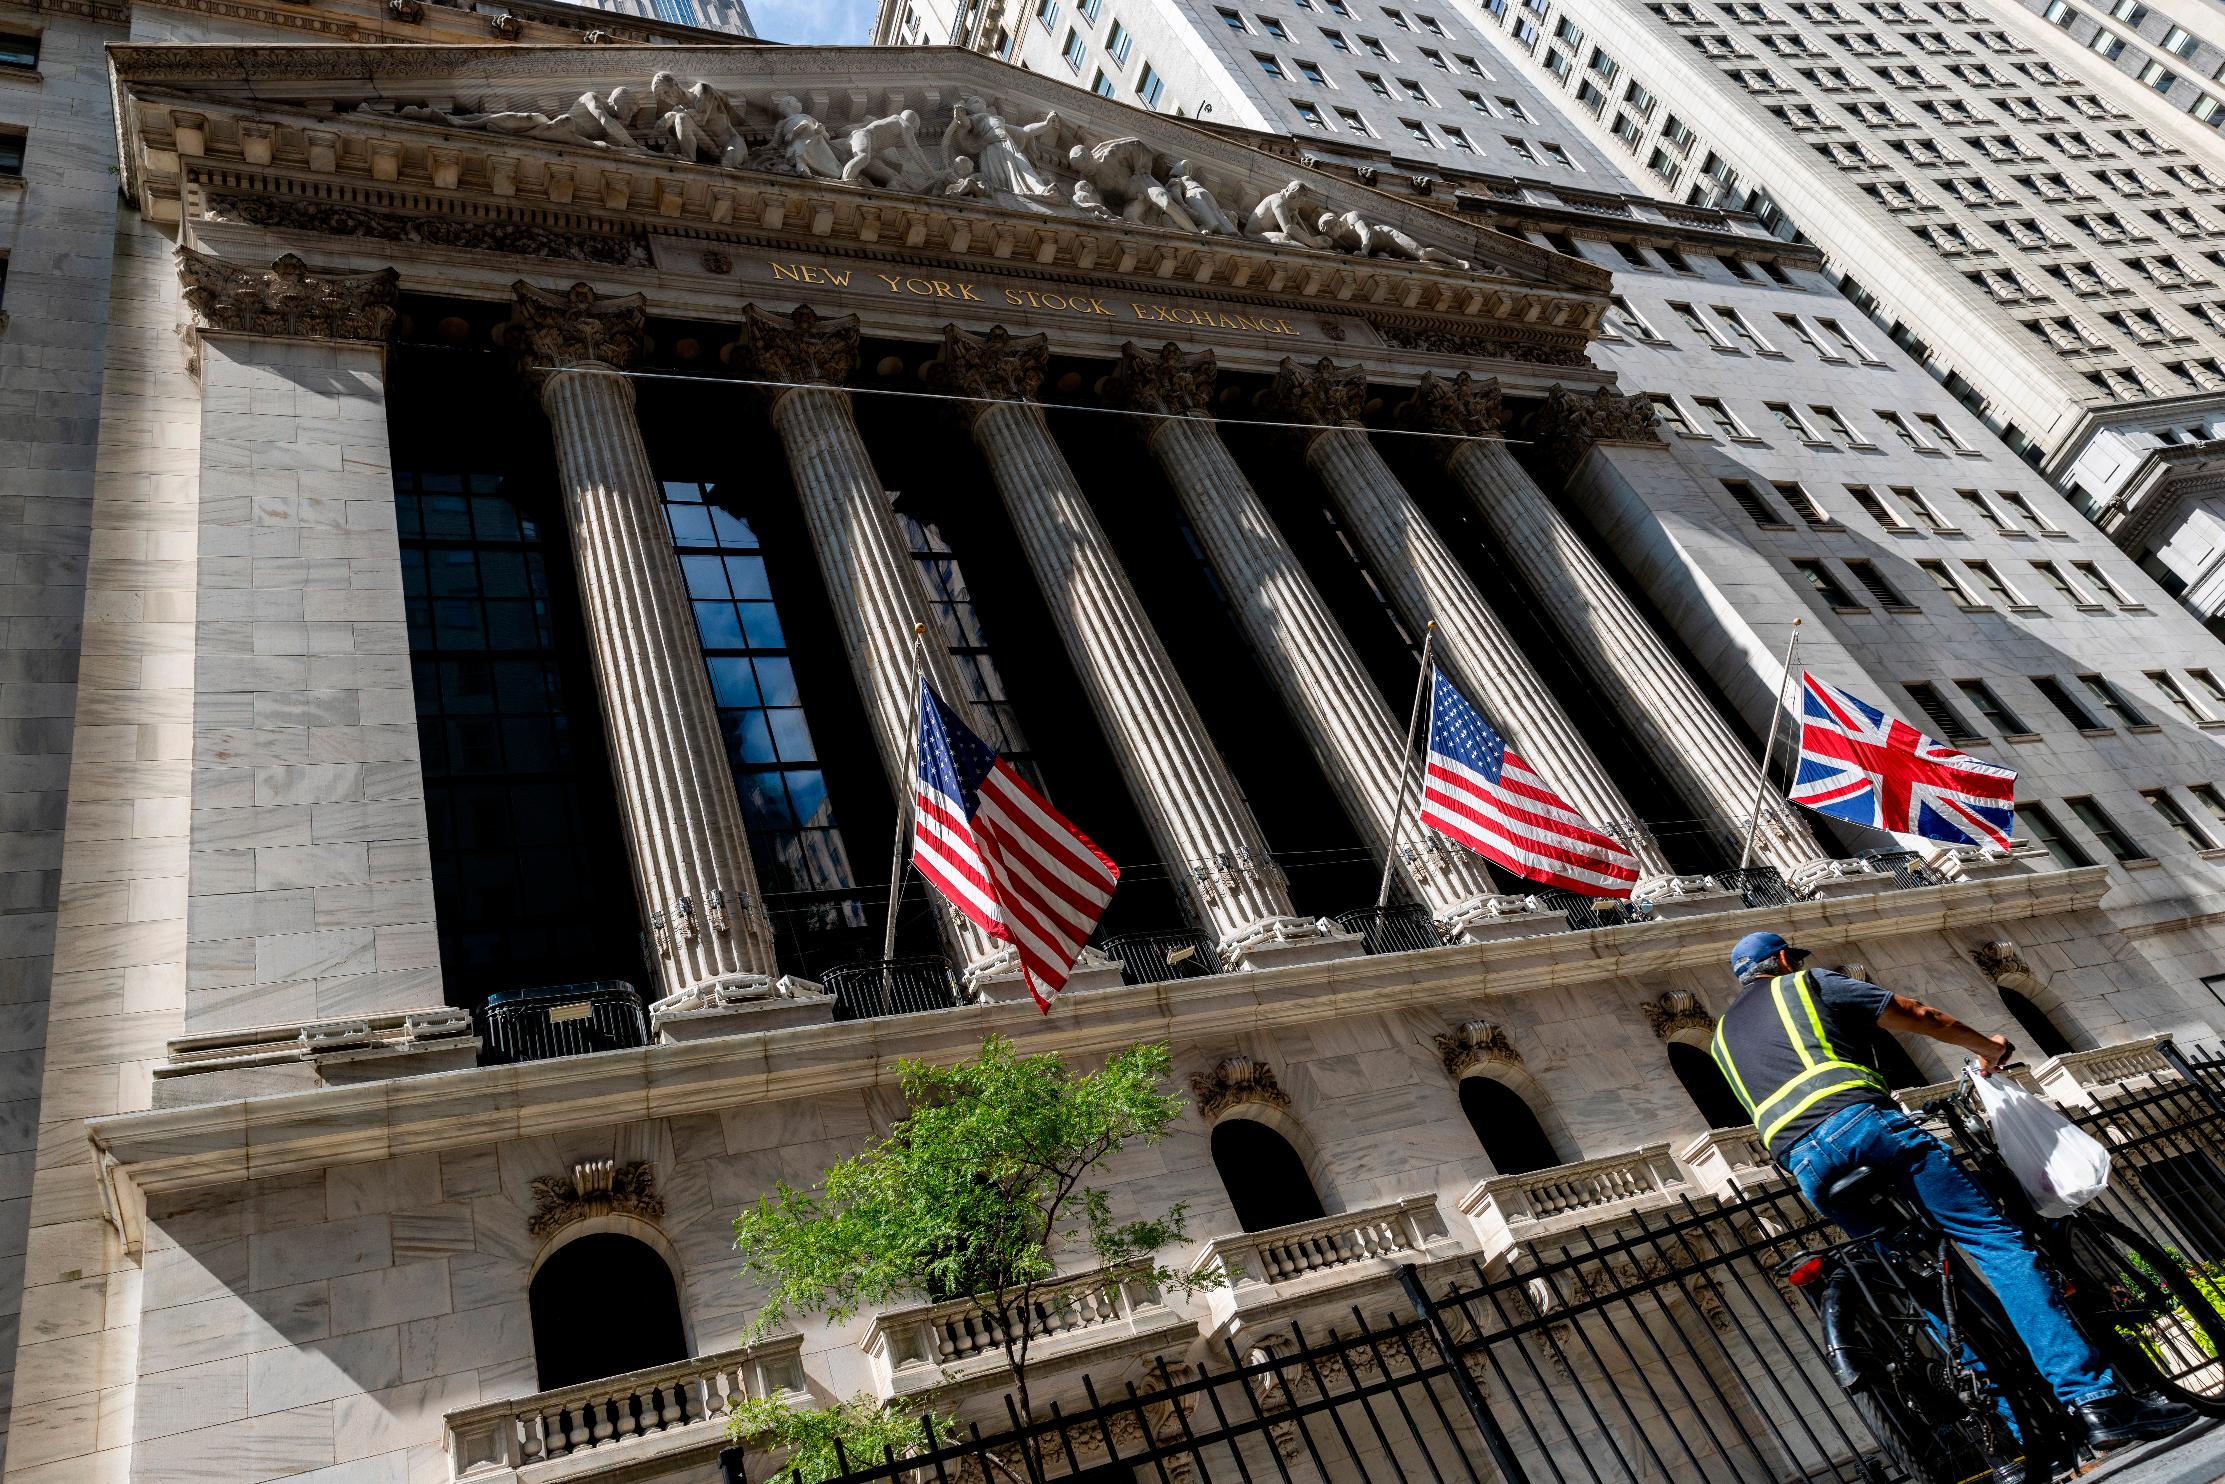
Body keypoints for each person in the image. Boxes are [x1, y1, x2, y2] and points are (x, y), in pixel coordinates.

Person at [1712, 931, 2195, 1460]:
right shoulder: (1807, 984)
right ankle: (2097, 1401)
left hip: (1806, 1166)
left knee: (1930, 1288)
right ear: (1782, 960)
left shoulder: (1721, 1037)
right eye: (1792, 958)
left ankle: (2020, 1436)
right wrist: (1987, 1048)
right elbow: (1916, 1013)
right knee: (1997, 1244)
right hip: (1864, 1127)